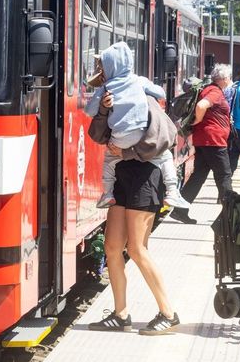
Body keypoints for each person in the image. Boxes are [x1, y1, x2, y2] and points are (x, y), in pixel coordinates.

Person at [87, 92, 181, 335]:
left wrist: (126, 153)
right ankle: (121, 314)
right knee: (112, 246)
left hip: (147, 176)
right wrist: (104, 110)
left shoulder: (143, 100)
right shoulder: (108, 99)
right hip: (123, 176)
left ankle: (168, 313)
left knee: (137, 249)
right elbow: (97, 135)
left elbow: (163, 141)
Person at [84, 42, 189, 210]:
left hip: (119, 137)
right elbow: (161, 93)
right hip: (140, 133)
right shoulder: (138, 81)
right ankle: (172, 192)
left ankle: (107, 193)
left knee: (110, 159)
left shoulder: (106, 87)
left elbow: (89, 111)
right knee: (165, 157)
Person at [169, 64, 233, 225]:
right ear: (224, 79)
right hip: (214, 141)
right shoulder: (215, 91)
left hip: (204, 139)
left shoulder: (208, 89)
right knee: (224, 175)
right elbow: (201, 105)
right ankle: (231, 214)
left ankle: (180, 210)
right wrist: (197, 120)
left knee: (198, 175)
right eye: (229, 78)